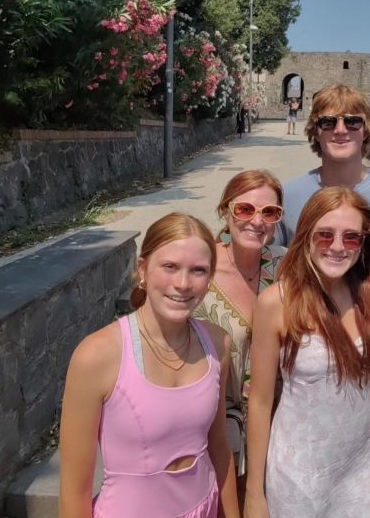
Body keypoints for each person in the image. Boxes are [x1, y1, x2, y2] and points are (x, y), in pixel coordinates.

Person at [58, 213, 239, 518]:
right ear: (143, 269)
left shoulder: (217, 343)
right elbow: (73, 493)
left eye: (198, 271)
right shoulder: (97, 356)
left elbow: (219, 448)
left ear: (209, 281)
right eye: (170, 267)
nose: (183, 283)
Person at [245, 187, 370, 518]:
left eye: (351, 237)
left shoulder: (368, 295)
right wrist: (255, 494)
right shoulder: (277, 304)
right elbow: (259, 402)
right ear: (306, 237)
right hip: (299, 477)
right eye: (325, 235)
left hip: (362, 469)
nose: (338, 247)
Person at [193, 170, 286, 478]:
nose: (257, 221)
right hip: (212, 433)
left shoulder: (287, 267)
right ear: (225, 211)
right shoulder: (198, 270)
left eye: (269, 212)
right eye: (245, 209)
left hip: (276, 429)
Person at [274, 83, 370, 246]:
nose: (340, 130)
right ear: (316, 132)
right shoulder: (288, 196)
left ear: (366, 131)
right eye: (328, 122)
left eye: (352, 121)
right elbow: (266, 261)